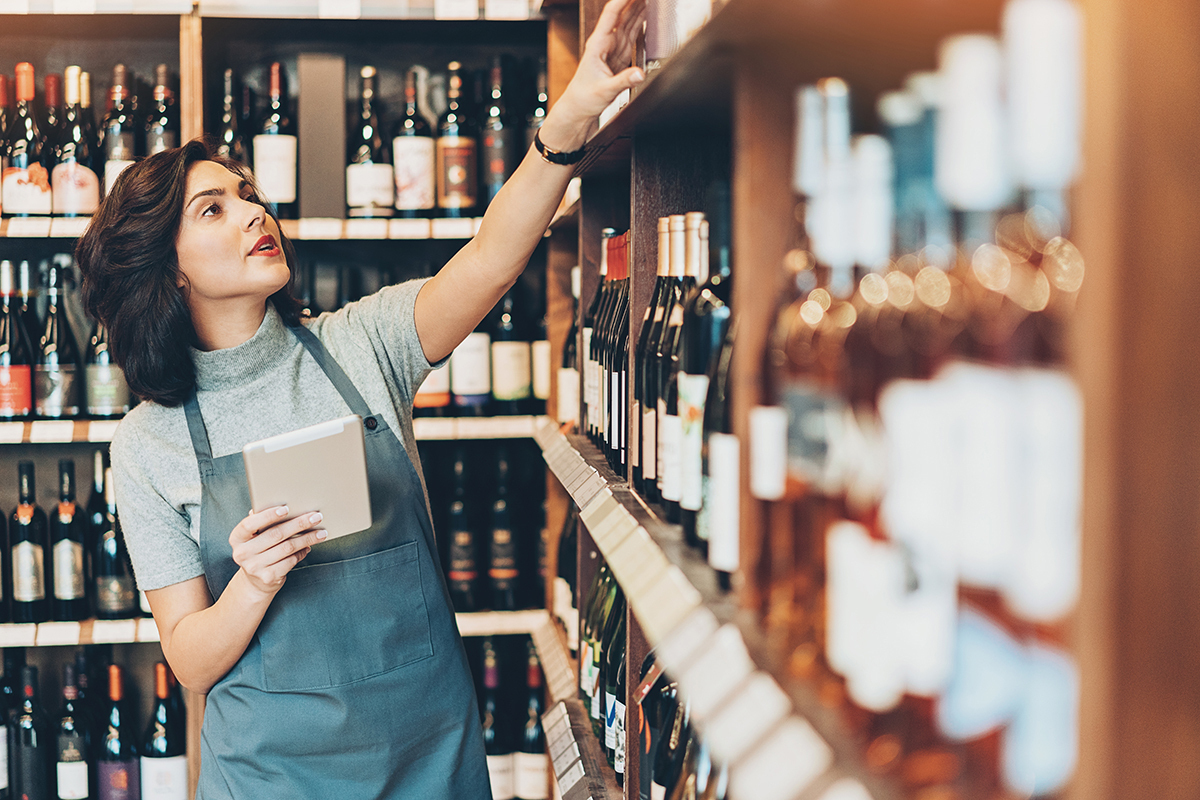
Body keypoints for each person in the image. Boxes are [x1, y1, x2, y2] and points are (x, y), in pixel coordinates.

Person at [75, 1, 645, 795]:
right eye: (215, 209)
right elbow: (190, 658)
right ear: (168, 268)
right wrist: (254, 582)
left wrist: (575, 113)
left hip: (428, 758)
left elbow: (489, 260)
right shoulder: (149, 442)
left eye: (248, 194)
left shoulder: (361, 343)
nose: (253, 212)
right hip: (273, 780)